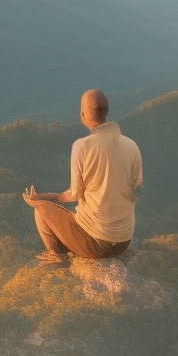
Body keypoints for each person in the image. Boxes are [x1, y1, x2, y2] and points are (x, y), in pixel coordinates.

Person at [23, 89, 143, 264]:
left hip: (95, 243)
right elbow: (135, 185)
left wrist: (44, 199)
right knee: (52, 208)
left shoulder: (82, 146)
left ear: (83, 114)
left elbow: (74, 194)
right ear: (107, 111)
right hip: (123, 241)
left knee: (41, 209)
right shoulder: (131, 146)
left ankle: (56, 254)